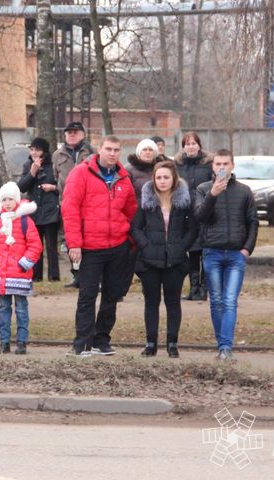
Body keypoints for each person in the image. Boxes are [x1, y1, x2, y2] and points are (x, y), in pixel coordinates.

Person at [61, 136, 138, 356]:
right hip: (90, 247)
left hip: (118, 246)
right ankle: (82, 344)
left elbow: (131, 211)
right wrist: (74, 243)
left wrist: (129, 240)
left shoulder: (124, 177)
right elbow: (70, 209)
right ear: (99, 149)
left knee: (112, 296)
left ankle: (101, 340)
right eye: (108, 149)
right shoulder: (80, 173)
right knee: (87, 295)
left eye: (116, 150)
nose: (112, 153)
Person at [194, 150, 259, 360]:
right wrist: (213, 194)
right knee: (216, 300)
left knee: (229, 300)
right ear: (212, 167)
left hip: (235, 254)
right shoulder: (203, 189)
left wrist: (247, 248)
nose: (221, 167)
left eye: (225, 164)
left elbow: (253, 221)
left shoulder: (244, 191)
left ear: (232, 166)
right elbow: (200, 216)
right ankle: (222, 346)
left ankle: (225, 348)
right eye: (218, 164)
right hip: (212, 251)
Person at [130, 161, 198, 358]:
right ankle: (150, 344)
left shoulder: (183, 202)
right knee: (151, 302)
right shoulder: (147, 200)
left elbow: (192, 229)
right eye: (158, 177)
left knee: (173, 302)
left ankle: (172, 343)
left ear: (174, 179)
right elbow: (136, 227)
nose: (162, 181)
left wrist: (181, 247)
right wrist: (145, 245)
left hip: (175, 261)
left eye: (166, 177)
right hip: (149, 261)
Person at [0, 182, 42, 354]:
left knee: (21, 308)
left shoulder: (26, 221)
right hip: (2, 273)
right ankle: (4, 342)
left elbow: (35, 245)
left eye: (10, 199)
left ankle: (21, 342)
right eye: (4, 199)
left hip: (19, 273)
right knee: (3, 309)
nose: (7, 203)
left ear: (17, 200)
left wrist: (24, 263)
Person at [53, 121, 96, 288]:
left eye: (75, 132)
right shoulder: (57, 155)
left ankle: (91, 275)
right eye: (69, 132)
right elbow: (56, 177)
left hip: (89, 203)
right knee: (69, 238)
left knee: (89, 238)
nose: (71, 135)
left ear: (83, 134)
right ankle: (76, 274)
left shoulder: (92, 152)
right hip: (68, 203)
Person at [175, 131, 214, 301]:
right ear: (183, 147)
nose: (190, 147)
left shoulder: (208, 164)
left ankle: (204, 288)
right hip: (186, 214)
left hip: (205, 213)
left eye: (193, 144)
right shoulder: (177, 165)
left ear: (199, 146)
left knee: (205, 251)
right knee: (192, 252)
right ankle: (193, 288)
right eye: (187, 144)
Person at [17, 137, 60, 282]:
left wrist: (53, 188)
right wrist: (32, 173)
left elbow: (63, 185)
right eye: (31, 149)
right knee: (36, 245)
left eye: (37, 150)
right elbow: (21, 187)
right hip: (34, 210)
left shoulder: (52, 165)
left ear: (44, 151)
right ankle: (36, 276)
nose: (33, 152)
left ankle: (54, 277)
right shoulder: (28, 164)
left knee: (51, 245)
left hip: (50, 210)